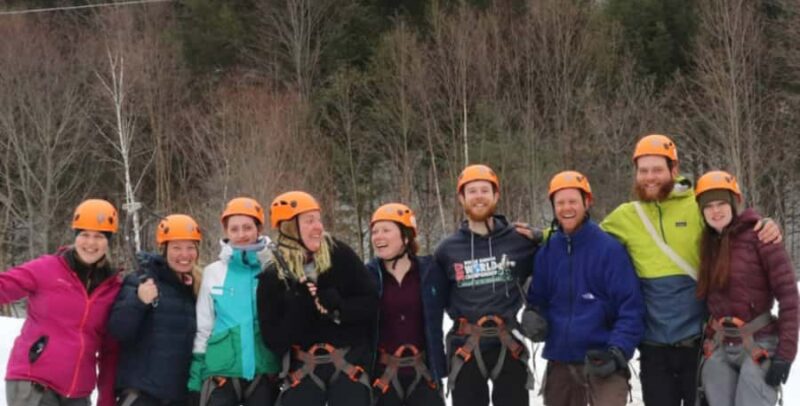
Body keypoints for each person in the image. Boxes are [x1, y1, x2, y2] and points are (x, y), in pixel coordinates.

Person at [600, 134, 782, 406]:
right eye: (644, 171)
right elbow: (585, 239)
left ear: (674, 170)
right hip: (653, 347)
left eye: (658, 170)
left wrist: (765, 222)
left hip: (700, 342)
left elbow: (735, 221)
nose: (650, 177)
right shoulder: (625, 215)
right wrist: (538, 236)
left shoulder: (697, 205)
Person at [527, 171, 645, 406]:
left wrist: (618, 351)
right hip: (560, 361)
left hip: (604, 360)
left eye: (573, 201)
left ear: (587, 202)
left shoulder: (609, 250)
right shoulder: (547, 253)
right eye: (560, 203)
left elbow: (631, 308)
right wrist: (533, 315)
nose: (566, 208)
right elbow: (537, 300)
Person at [257, 191, 378, 406]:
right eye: (309, 221)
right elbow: (273, 339)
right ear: (290, 227)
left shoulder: (339, 255)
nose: (319, 227)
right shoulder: (274, 276)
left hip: (348, 363)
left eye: (318, 219)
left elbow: (371, 303)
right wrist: (298, 306)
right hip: (303, 369)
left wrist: (339, 307)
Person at [434, 164, 539, 406]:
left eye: (485, 190)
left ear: (496, 196)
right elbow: (430, 300)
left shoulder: (519, 241)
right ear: (461, 198)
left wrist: (542, 236)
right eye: (472, 191)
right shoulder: (447, 250)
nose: (479, 196)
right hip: (466, 345)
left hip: (508, 343)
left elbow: (556, 267)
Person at [1, 199, 122, 406]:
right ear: (75, 236)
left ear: (108, 241)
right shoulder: (47, 268)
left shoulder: (113, 288)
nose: (90, 243)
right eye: (84, 235)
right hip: (34, 383)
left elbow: (110, 351)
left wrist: (106, 399)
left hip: (77, 392)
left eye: (99, 236)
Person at [693, 171, 798, 406]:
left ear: (734, 204)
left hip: (759, 342)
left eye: (721, 203)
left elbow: (789, 297)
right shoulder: (706, 244)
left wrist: (786, 354)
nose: (716, 211)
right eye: (709, 206)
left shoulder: (761, 237)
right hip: (721, 342)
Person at [187, 197, 280, 406]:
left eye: (247, 227)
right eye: (234, 229)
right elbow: (203, 327)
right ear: (226, 232)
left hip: (264, 371)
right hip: (221, 373)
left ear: (258, 229)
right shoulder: (213, 272)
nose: (241, 235)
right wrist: (195, 379)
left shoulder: (273, 269)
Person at [108, 214, 203, 406]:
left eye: (190, 248)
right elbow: (118, 330)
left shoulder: (198, 289)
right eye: (176, 248)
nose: (184, 255)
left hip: (180, 397)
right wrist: (139, 300)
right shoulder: (141, 281)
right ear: (164, 249)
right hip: (143, 395)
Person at [366, 203, 447, 406]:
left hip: (424, 375)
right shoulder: (367, 276)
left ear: (406, 236)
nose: (378, 236)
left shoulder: (431, 272)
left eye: (386, 230)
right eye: (375, 231)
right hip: (382, 378)